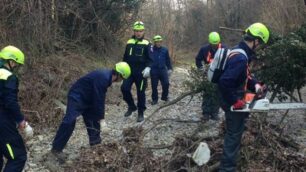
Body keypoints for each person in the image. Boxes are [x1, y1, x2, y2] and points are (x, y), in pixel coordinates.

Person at [51, 62, 131, 159]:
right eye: (122, 79)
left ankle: (96, 145)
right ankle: (56, 149)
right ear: (119, 75)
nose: (120, 81)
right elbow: (99, 99)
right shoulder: (104, 78)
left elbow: (97, 98)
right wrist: (102, 119)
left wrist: (99, 118)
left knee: (93, 119)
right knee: (70, 121)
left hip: (89, 98)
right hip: (77, 96)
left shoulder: (107, 76)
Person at [218, 23, 269, 171]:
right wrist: (235, 102)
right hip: (231, 98)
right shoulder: (240, 58)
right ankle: (227, 169)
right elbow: (224, 82)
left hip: (232, 95)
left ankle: (231, 162)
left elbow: (245, 75)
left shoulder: (238, 51)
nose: (259, 47)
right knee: (233, 134)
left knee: (235, 131)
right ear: (256, 41)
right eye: (260, 44)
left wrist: (256, 86)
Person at [0, 45, 29, 171]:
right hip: (2, 121)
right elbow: (10, 101)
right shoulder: (8, 76)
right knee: (18, 157)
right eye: (16, 64)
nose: (16, 67)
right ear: (11, 61)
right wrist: (21, 120)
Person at [121, 21, 152, 122]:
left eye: (140, 31)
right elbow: (125, 57)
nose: (138, 33)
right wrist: (122, 68)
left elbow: (151, 59)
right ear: (134, 31)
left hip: (141, 73)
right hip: (129, 71)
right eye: (136, 31)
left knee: (141, 92)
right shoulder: (129, 42)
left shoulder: (147, 44)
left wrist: (148, 68)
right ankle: (131, 106)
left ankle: (140, 112)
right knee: (124, 89)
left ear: (143, 31)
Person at [195, 32, 226, 121]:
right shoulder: (204, 49)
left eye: (216, 44)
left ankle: (214, 113)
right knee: (207, 93)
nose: (215, 45)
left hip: (220, 75)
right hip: (207, 74)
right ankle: (206, 113)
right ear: (210, 42)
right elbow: (198, 59)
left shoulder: (224, 49)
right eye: (213, 44)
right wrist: (201, 69)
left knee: (217, 93)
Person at [150, 35, 173, 105]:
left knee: (166, 83)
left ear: (161, 42)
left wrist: (170, 68)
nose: (158, 43)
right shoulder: (151, 50)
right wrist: (147, 68)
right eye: (157, 42)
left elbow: (167, 60)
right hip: (154, 70)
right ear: (155, 42)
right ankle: (154, 99)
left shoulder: (165, 50)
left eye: (160, 42)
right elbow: (147, 59)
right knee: (154, 86)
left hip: (163, 70)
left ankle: (164, 97)